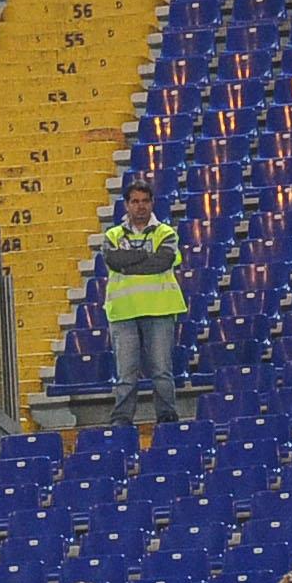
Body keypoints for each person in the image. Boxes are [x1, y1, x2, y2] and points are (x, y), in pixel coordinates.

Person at [90, 178, 187, 429]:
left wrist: (130, 261)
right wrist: (145, 254)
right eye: (135, 201)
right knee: (126, 374)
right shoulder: (112, 235)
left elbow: (163, 262)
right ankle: (122, 419)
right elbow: (113, 259)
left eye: (145, 201)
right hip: (123, 313)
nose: (140, 206)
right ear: (126, 205)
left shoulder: (167, 232)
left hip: (160, 310)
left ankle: (167, 416)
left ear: (152, 203)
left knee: (162, 370)